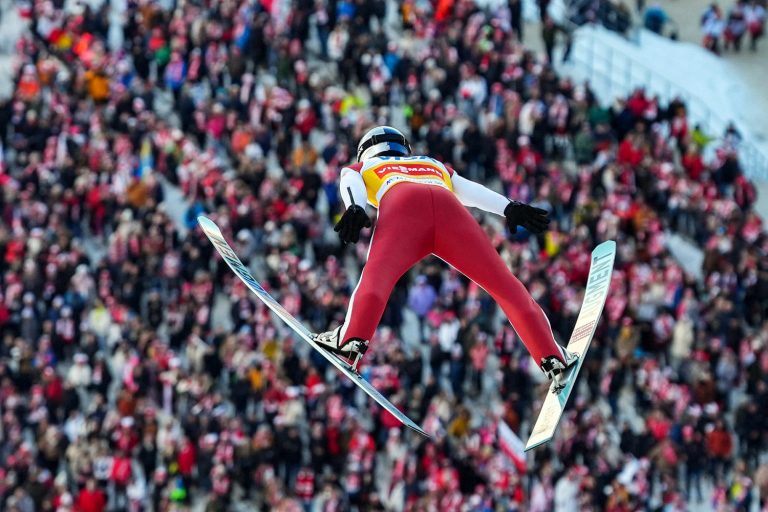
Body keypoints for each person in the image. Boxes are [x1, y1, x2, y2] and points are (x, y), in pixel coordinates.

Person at [313, 126, 577, 390]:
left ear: (365, 151)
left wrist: (354, 206)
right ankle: (551, 356)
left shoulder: (366, 166)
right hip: (448, 207)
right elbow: (469, 190)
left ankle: (352, 340)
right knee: (504, 285)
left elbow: (350, 179)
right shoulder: (431, 162)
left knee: (376, 279)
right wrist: (508, 206)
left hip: (402, 206)